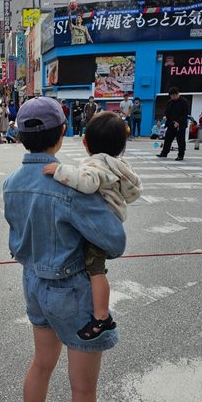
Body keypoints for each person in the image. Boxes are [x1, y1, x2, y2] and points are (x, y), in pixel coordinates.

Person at [3, 97, 125, 402]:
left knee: (41, 363)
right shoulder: (68, 185)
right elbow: (115, 241)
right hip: (71, 290)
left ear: (21, 136)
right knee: (83, 388)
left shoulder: (11, 183)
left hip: (33, 283)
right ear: (62, 134)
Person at [43, 112, 141, 340]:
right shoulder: (119, 165)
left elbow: (87, 183)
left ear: (85, 142)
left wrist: (59, 171)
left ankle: (101, 318)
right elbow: (133, 193)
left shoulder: (95, 163)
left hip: (100, 222)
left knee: (96, 270)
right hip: (113, 218)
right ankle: (100, 312)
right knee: (95, 268)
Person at [156, 87, 190, 161]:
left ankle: (180, 155)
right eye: (171, 96)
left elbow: (185, 114)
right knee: (168, 139)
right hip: (171, 123)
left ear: (178, 94)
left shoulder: (184, 102)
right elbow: (167, 111)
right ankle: (164, 153)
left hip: (180, 125)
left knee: (180, 140)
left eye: (174, 95)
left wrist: (178, 122)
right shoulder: (170, 102)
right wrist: (165, 116)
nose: (173, 97)